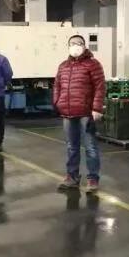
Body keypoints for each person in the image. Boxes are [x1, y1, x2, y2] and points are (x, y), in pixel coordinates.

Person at [53, 35, 106, 192]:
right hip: (67, 113)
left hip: (86, 113)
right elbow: (57, 86)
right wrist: (57, 102)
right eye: (72, 43)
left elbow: (100, 87)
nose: (75, 45)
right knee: (71, 147)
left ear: (84, 45)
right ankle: (72, 177)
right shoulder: (63, 66)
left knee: (90, 147)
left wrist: (97, 108)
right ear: (68, 46)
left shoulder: (93, 64)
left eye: (79, 43)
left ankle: (93, 179)